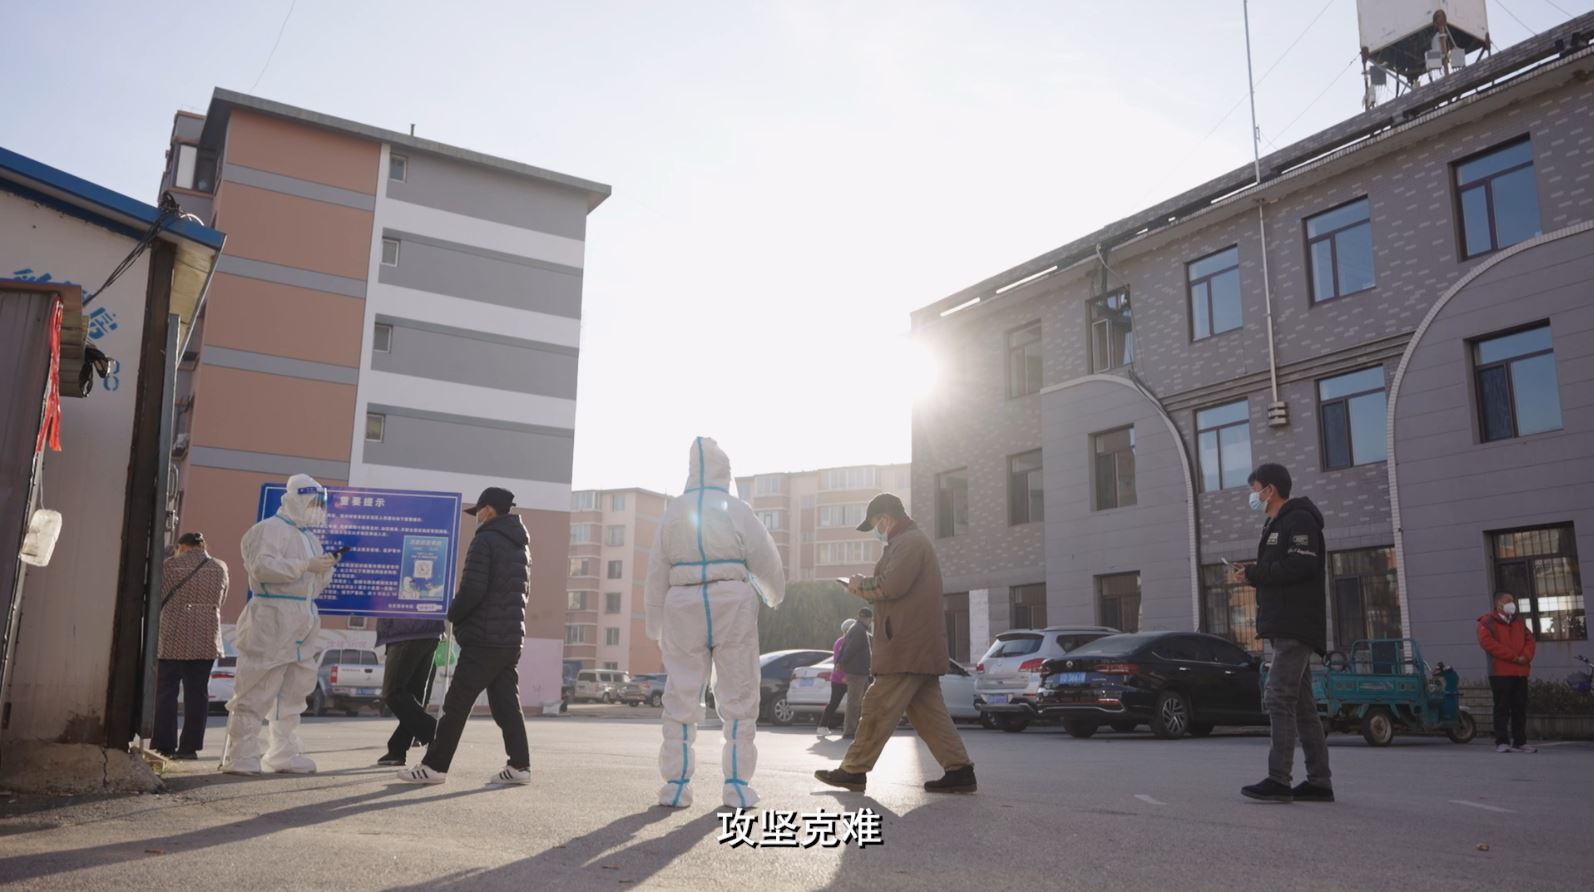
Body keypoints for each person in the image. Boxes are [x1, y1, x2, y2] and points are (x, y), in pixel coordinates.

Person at [644, 437, 786, 809]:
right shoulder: (736, 509)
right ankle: (737, 786)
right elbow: (765, 556)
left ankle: (676, 787)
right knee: (739, 692)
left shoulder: (674, 510)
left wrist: (654, 623)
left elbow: (656, 570)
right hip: (731, 601)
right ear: (725, 471)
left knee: (681, 693)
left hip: (682, 601)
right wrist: (774, 593)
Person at [815, 494, 976, 795]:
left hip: (906, 646)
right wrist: (865, 585)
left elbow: (891, 585)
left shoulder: (909, 543)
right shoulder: (908, 542)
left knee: (877, 705)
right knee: (930, 715)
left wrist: (860, 586)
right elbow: (895, 586)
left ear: (886, 519)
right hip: (915, 645)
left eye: (875, 524)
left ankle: (853, 770)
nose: (876, 531)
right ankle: (960, 770)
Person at [398, 487, 533, 786]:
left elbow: (473, 589)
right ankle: (519, 766)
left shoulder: (485, 540)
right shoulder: (521, 546)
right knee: (506, 705)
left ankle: (434, 767)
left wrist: (453, 614)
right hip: (510, 638)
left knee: (456, 704)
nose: (477, 517)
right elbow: (523, 593)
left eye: (479, 511)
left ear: (489, 510)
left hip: (483, 639)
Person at [221, 475, 338, 775]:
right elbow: (262, 567)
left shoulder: (309, 538)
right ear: (297, 499)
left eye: (320, 504)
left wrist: (323, 568)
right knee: (257, 685)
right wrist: (305, 565)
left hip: (302, 621)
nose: (317, 510)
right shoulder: (268, 530)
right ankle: (242, 754)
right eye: (313, 503)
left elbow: (312, 584)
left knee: (295, 690)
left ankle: (283, 752)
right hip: (271, 617)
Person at [1235, 463, 1333, 804]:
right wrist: (1253, 574)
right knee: (1303, 706)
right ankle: (1320, 782)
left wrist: (1256, 573)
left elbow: (1301, 565)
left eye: (1254, 490)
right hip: (1284, 623)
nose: (1252, 497)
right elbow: (1278, 569)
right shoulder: (1274, 523)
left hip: (1296, 623)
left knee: (1277, 696)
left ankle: (1279, 779)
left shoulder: (1300, 520)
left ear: (1270, 490)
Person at [152, 531, 230, 759]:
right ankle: (190, 748)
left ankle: (164, 744)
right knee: (198, 693)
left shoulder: (170, 566)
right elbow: (221, 600)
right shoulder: (220, 567)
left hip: (173, 637)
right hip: (206, 637)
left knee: (167, 692)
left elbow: (158, 597)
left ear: (182, 547)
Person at [375, 616, 445, 766]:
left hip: (406, 631)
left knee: (392, 693)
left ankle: (436, 733)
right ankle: (397, 750)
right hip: (430, 634)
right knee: (413, 696)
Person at [1478, 591, 1537, 754]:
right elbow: (1488, 644)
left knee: (1519, 708)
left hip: (1520, 672)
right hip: (1500, 673)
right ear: (1499, 604)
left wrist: (1525, 656)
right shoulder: (1487, 622)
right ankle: (1502, 741)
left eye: (1513, 600)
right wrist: (1513, 656)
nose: (1512, 604)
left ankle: (1520, 741)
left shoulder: (1519, 621)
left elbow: (1530, 640)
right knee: (1502, 708)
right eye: (1508, 601)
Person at [838, 607, 874, 739]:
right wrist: (842, 663)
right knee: (854, 703)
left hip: (859, 672)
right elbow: (850, 649)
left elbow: (844, 647)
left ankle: (857, 729)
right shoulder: (859, 631)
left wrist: (840, 662)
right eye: (870, 619)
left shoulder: (855, 628)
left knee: (861, 703)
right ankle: (850, 731)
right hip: (857, 673)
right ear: (868, 619)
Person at [816, 619, 855, 738]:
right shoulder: (844, 642)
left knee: (841, 703)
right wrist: (845, 676)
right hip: (841, 679)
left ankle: (826, 726)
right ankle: (823, 726)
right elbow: (839, 660)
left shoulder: (840, 641)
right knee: (839, 703)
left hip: (841, 678)